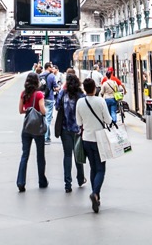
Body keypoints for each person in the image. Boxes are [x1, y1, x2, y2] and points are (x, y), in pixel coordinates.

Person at [76, 77, 113, 212]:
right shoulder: (100, 101)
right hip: (99, 139)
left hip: (86, 139)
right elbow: (108, 120)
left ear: (85, 89)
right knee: (101, 169)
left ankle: (96, 195)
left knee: (92, 167)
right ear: (95, 89)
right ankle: (95, 193)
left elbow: (79, 122)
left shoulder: (80, 102)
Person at [16, 72, 48, 191]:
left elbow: (21, 110)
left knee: (25, 155)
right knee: (40, 155)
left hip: (27, 127)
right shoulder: (39, 94)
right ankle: (42, 181)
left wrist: (29, 110)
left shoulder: (23, 94)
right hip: (38, 128)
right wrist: (37, 110)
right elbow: (43, 111)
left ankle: (21, 181)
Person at [56, 73, 86, 192]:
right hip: (78, 130)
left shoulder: (63, 94)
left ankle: (67, 184)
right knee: (78, 154)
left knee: (67, 156)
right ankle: (80, 179)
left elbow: (57, 106)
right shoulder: (81, 95)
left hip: (65, 129)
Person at [41, 63, 60, 143]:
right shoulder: (52, 76)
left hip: (41, 98)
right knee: (48, 119)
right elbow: (55, 87)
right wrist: (58, 89)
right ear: (48, 67)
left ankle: (45, 137)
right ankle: (46, 138)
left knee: (43, 118)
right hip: (50, 98)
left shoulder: (40, 75)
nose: (52, 68)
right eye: (51, 67)